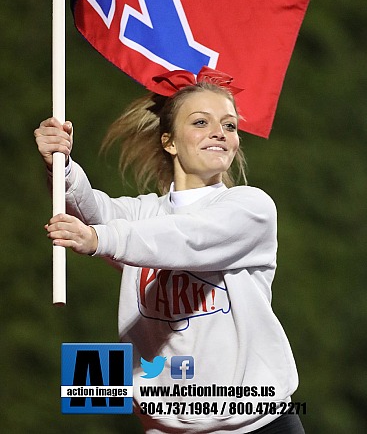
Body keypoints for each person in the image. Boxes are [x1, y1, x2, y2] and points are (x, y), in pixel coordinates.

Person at [34, 71, 305, 433]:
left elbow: (186, 237)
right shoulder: (144, 214)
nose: (219, 133)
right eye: (200, 122)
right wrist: (61, 166)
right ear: (170, 141)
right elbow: (91, 210)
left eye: (229, 125)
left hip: (257, 425)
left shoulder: (251, 208)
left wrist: (99, 239)